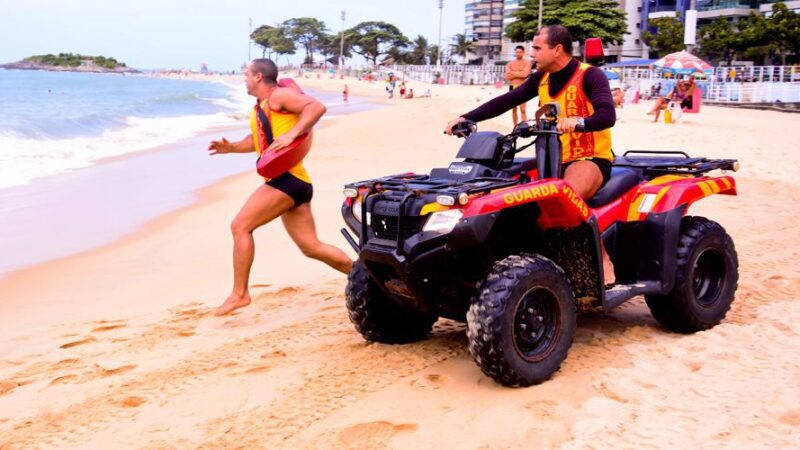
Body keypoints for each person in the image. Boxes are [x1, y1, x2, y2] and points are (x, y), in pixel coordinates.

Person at [444, 25, 617, 285]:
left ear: (557, 49)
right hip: (553, 157)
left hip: (590, 158)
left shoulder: (590, 76)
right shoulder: (542, 78)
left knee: (566, 195)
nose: (532, 53)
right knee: (504, 186)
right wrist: (467, 117)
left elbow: (607, 114)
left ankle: (603, 259)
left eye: (537, 48)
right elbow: (507, 101)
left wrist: (579, 122)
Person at [207, 59, 353, 315]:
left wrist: (294, 133)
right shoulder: (261, 108)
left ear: (259, 77)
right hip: (297, 183)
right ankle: (365, 275)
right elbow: (257, 141)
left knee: (240, 226)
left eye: (247, 74)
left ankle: (239, 295)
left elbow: (316, 107)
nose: (244, 78)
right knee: (311, 247)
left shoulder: (279, 96)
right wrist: (230, 148)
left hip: (287, 181)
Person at [504, 45, 533, 126]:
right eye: (517, 52)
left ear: (523, 53)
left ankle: (524, 126)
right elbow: (507, 76)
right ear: (515, 52)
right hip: (512, 87)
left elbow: (525, 74)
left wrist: (513, 72)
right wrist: (519, 72)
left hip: (523, 87)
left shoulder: (527, 63)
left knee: (523, 109)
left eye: (520, 52)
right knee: (513, 109)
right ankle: (515, 126)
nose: (518, 53)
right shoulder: (510, 64)